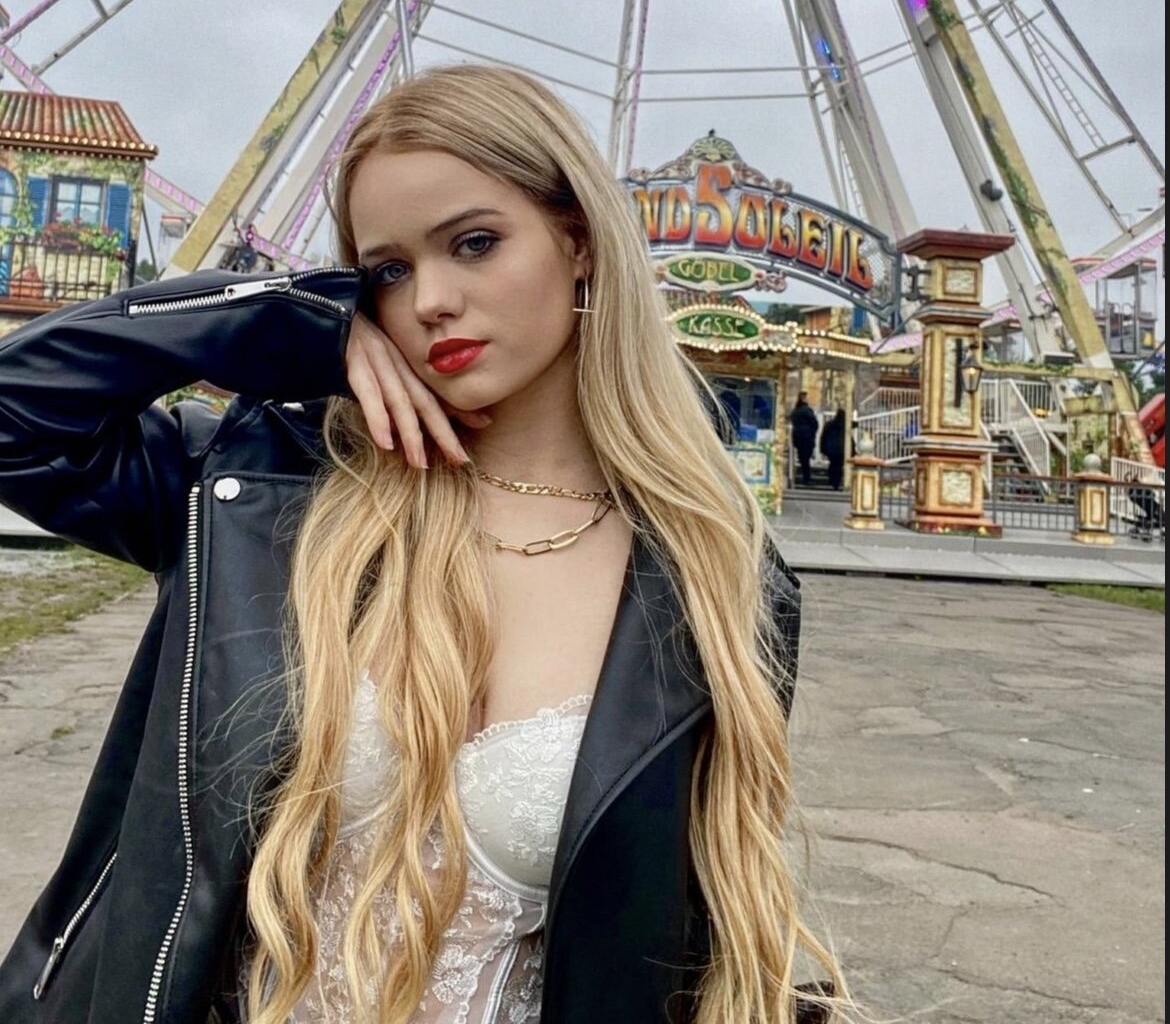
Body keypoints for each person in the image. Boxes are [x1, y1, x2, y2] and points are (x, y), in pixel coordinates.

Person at [0, 66, 849, 1024]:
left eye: (474, 244)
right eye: (388, 273)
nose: (431, 300)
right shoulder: (266, 493)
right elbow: (16, 413)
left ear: (577, 240)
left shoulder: (711, 574)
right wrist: (284, 323)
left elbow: (688, 930)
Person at [789, 390, 820, 486]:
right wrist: (812, 433)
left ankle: (806, 477)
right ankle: (807, 478)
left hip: (798, 437)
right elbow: (815, 423)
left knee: (803, 458)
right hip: (807, 437)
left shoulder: (795, 411)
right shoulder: (807, 411)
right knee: (806, 458)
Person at [820, 408, 848, 491]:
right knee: (839, 466)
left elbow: (823, 436)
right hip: (841, 448)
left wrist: (822, 448)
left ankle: (832, 479)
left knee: (833, 464)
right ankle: (836, 482)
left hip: (831, 448)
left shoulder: (829, 424)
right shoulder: (845, 425)